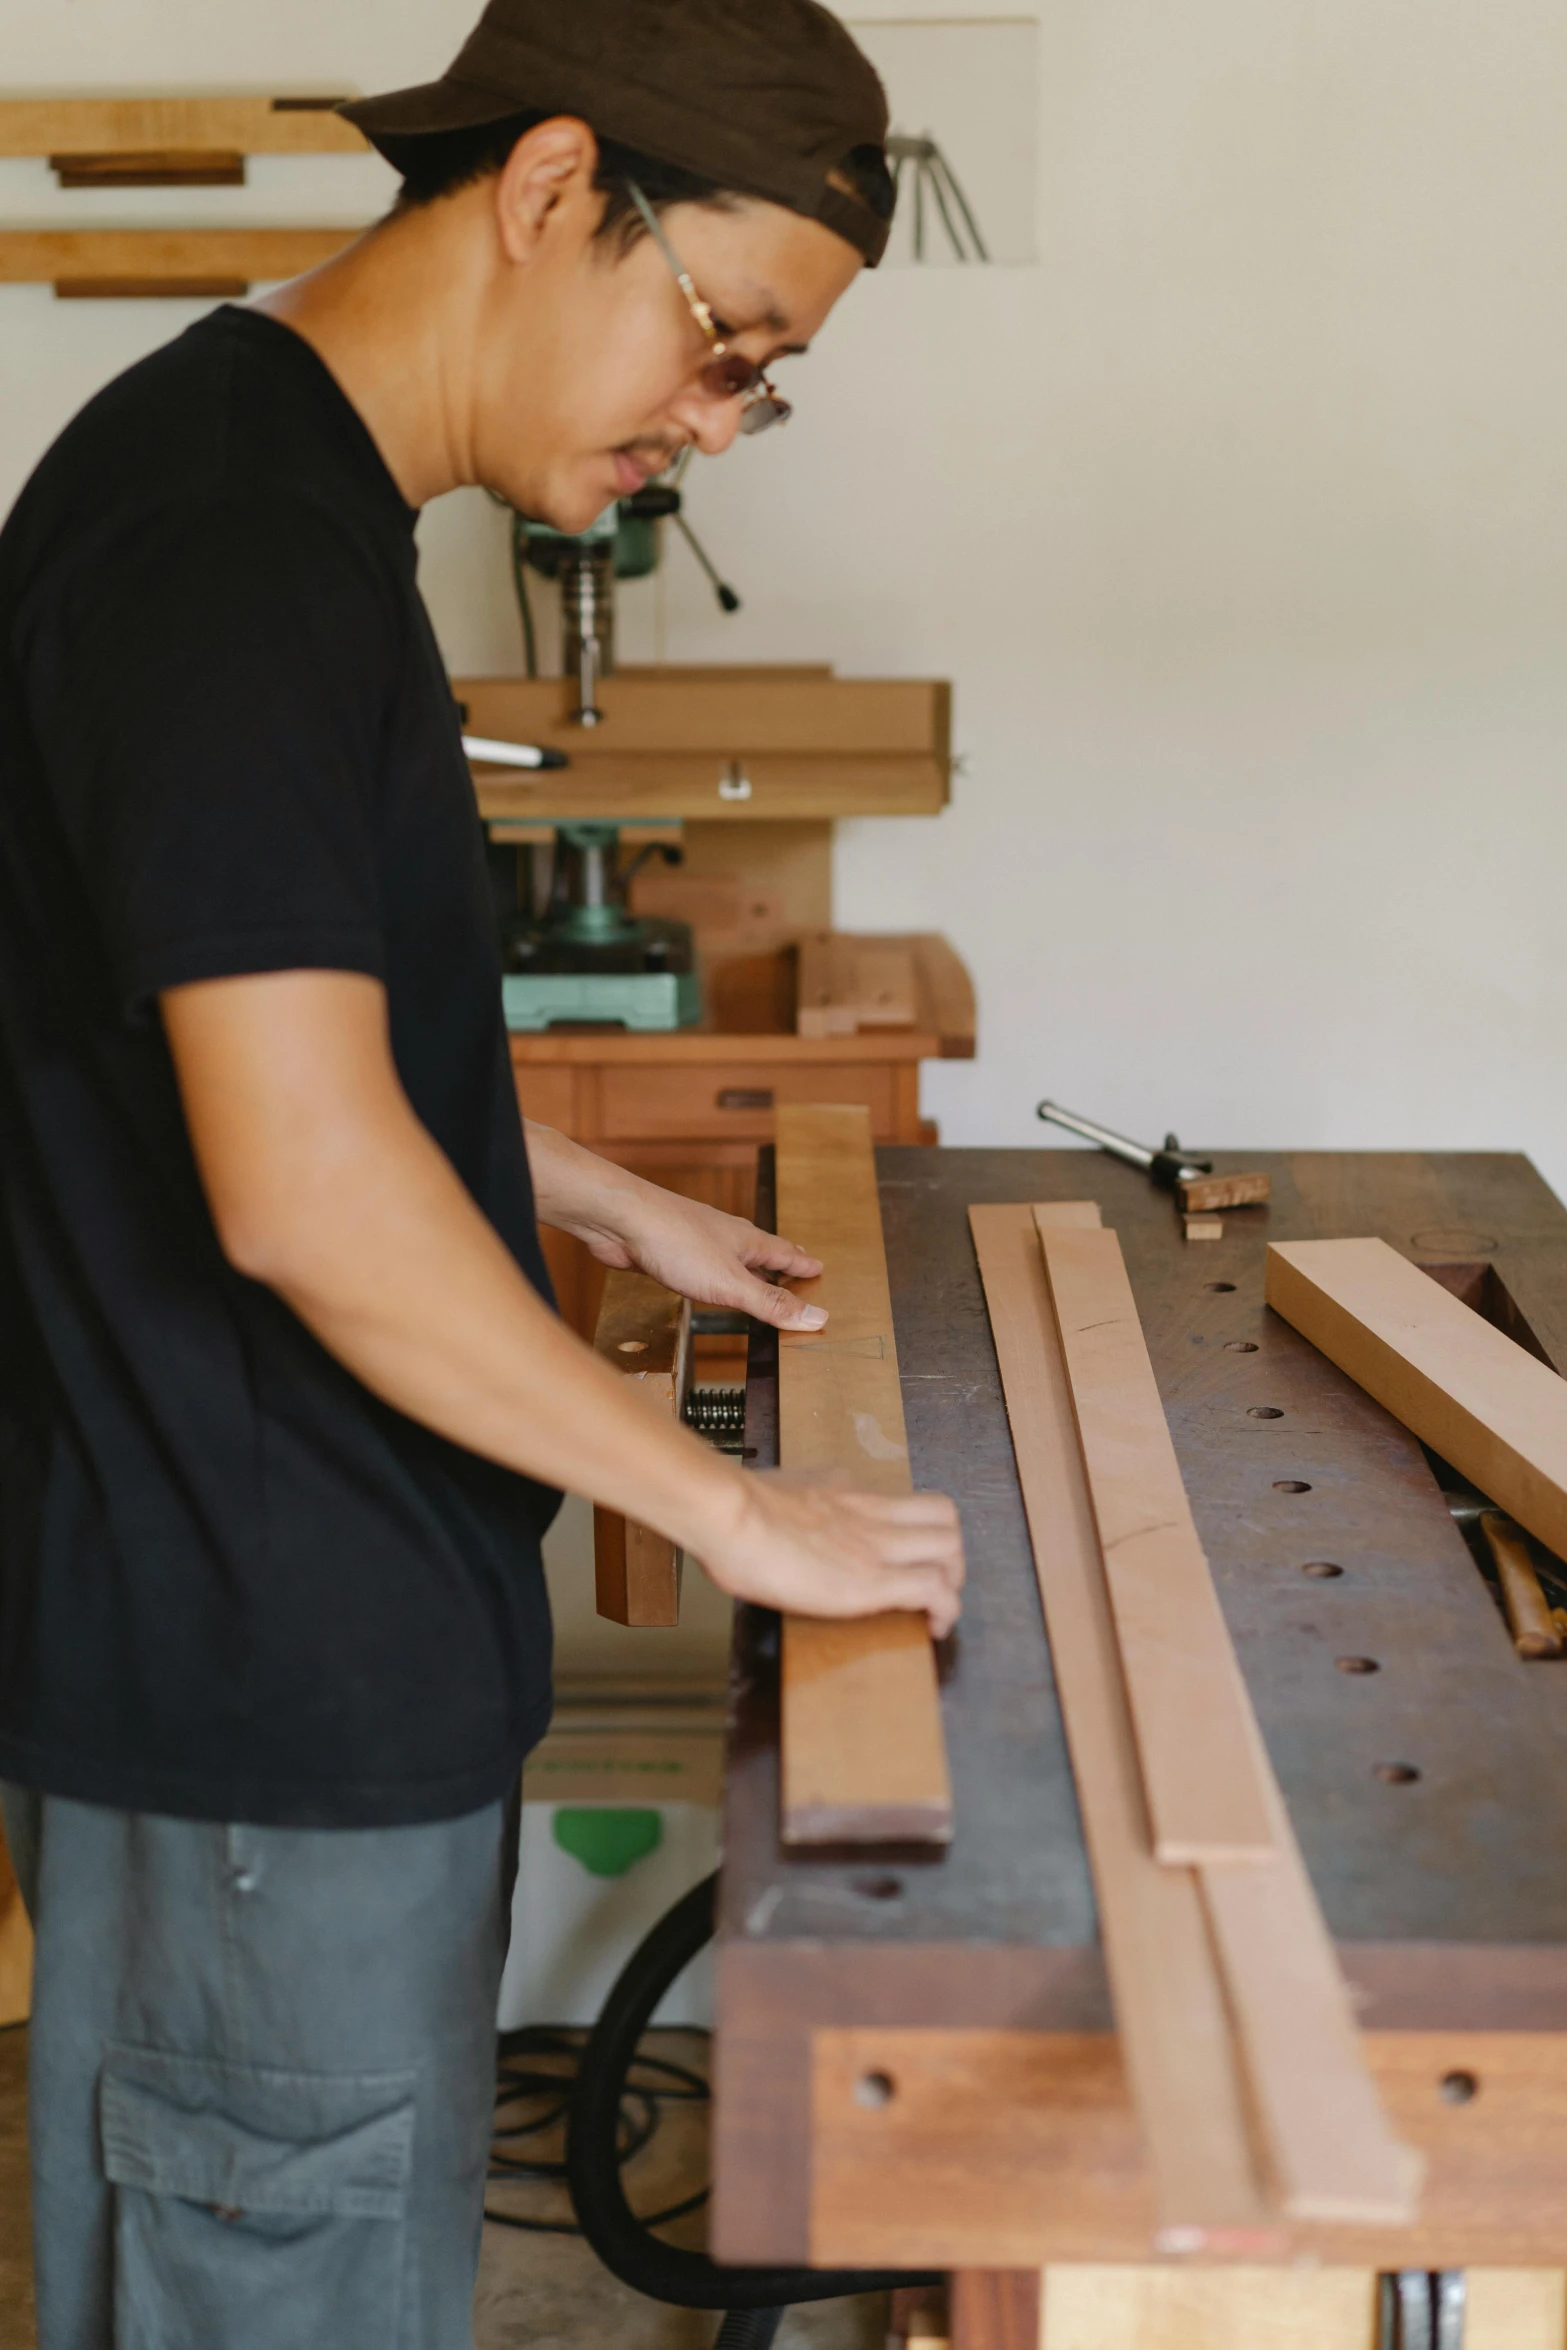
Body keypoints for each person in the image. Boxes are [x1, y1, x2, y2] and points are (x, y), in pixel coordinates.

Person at [0, 1, 965, 2342]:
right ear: (550, 191)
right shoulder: (236, 557)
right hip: (259, 1705)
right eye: (723, 339)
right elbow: (301, 1193)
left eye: (763, 384)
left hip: (291, 1659)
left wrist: (561, 1174)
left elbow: (195, 1033)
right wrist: (738, 1511)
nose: (712, 427)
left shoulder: (263, 485)